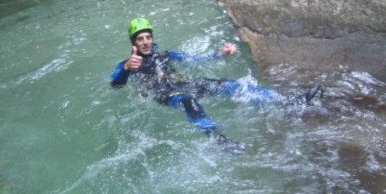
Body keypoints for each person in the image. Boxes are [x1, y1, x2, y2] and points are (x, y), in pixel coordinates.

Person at [110, 17, 322, 153]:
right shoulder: (128, 64)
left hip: (185, 84)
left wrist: (220, 54)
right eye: (140, 39)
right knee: (189, 101)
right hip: (165, 94)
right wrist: (127, 68)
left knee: (229, 85)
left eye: (148, 37)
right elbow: (115, 85)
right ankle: (219, 140)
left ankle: (286, 103)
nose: (146, 42)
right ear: (133, 43)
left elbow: (196, 60)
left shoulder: (166, 55)